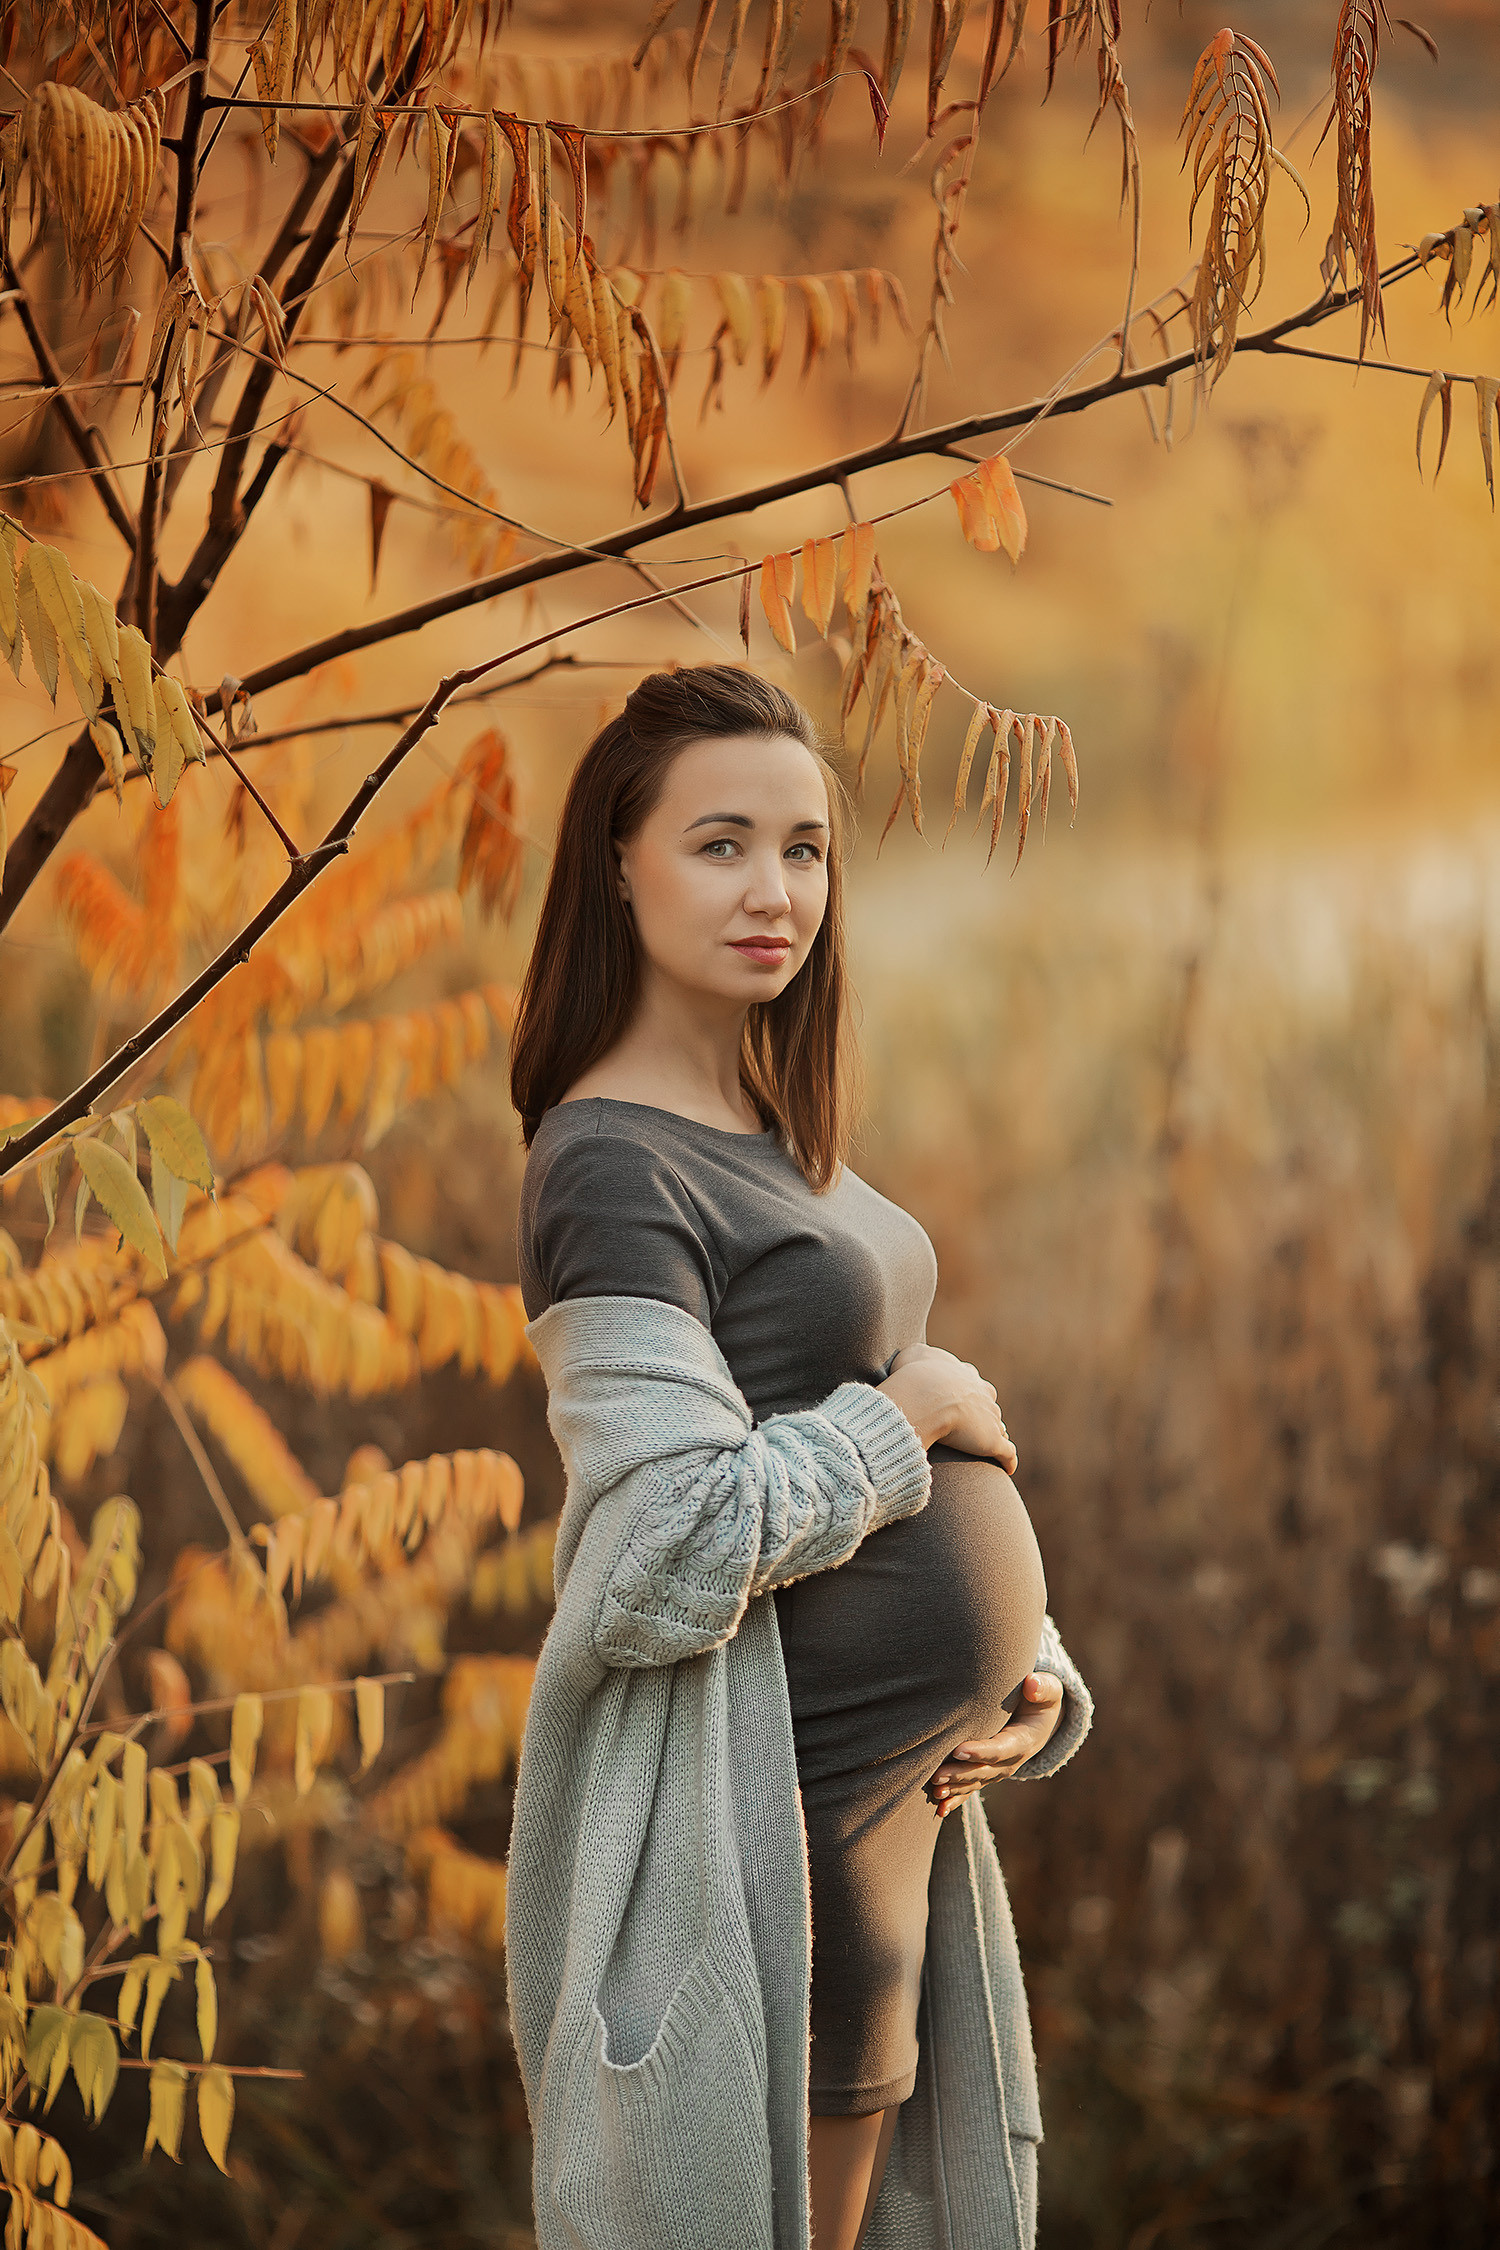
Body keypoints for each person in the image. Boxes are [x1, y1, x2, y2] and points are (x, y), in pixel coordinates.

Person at [505, 664, 1094, 2250]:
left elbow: (825, 1421)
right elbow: (663, 1553)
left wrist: (1019, 1668)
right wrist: (909, 1421)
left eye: (809, 848)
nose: (779, 892)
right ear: (617, 865)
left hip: (895, 1817)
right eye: (721, 845)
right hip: (777, 1850)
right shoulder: (609, 1162)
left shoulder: (766, 1125)